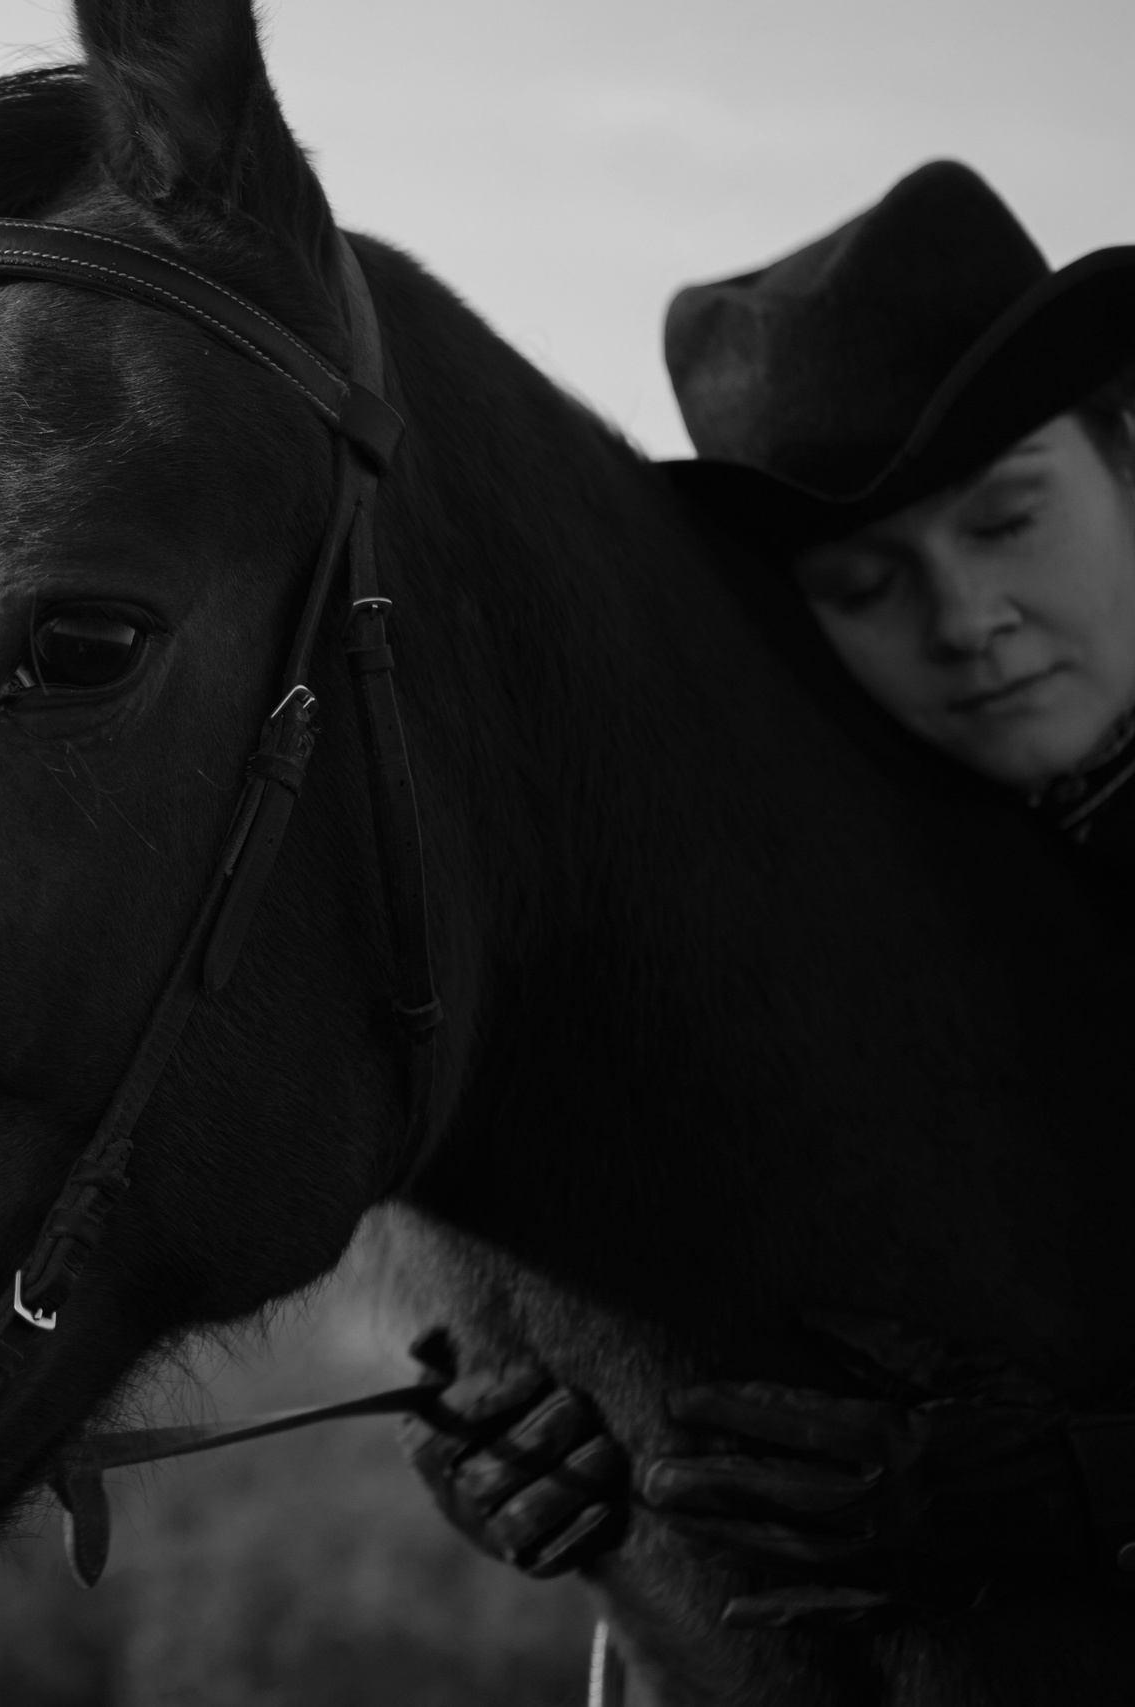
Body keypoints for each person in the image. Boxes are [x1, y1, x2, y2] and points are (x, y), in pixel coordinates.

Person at [402, 160, 1135, 1635]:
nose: (966, 621)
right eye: (866, 585)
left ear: (1126, 460)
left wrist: (1092, 1486)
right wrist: (509, 1414)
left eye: (1007, 521)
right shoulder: (843, 903)